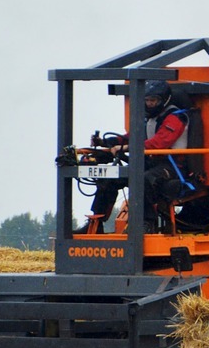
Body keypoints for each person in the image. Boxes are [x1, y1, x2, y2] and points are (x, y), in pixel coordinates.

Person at [78, 80, 190, 233]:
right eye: (147, 100)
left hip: (173, 167)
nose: (150, 104)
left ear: (164, 100)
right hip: (151, 162)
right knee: (111, 178)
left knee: (144, 179)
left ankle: (147, 223)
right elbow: (130, 137)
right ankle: (96, 223)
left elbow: (159, 143)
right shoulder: (149, 118)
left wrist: (125, 148)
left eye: (153, 100)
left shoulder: (176, 118)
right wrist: (106, 142)